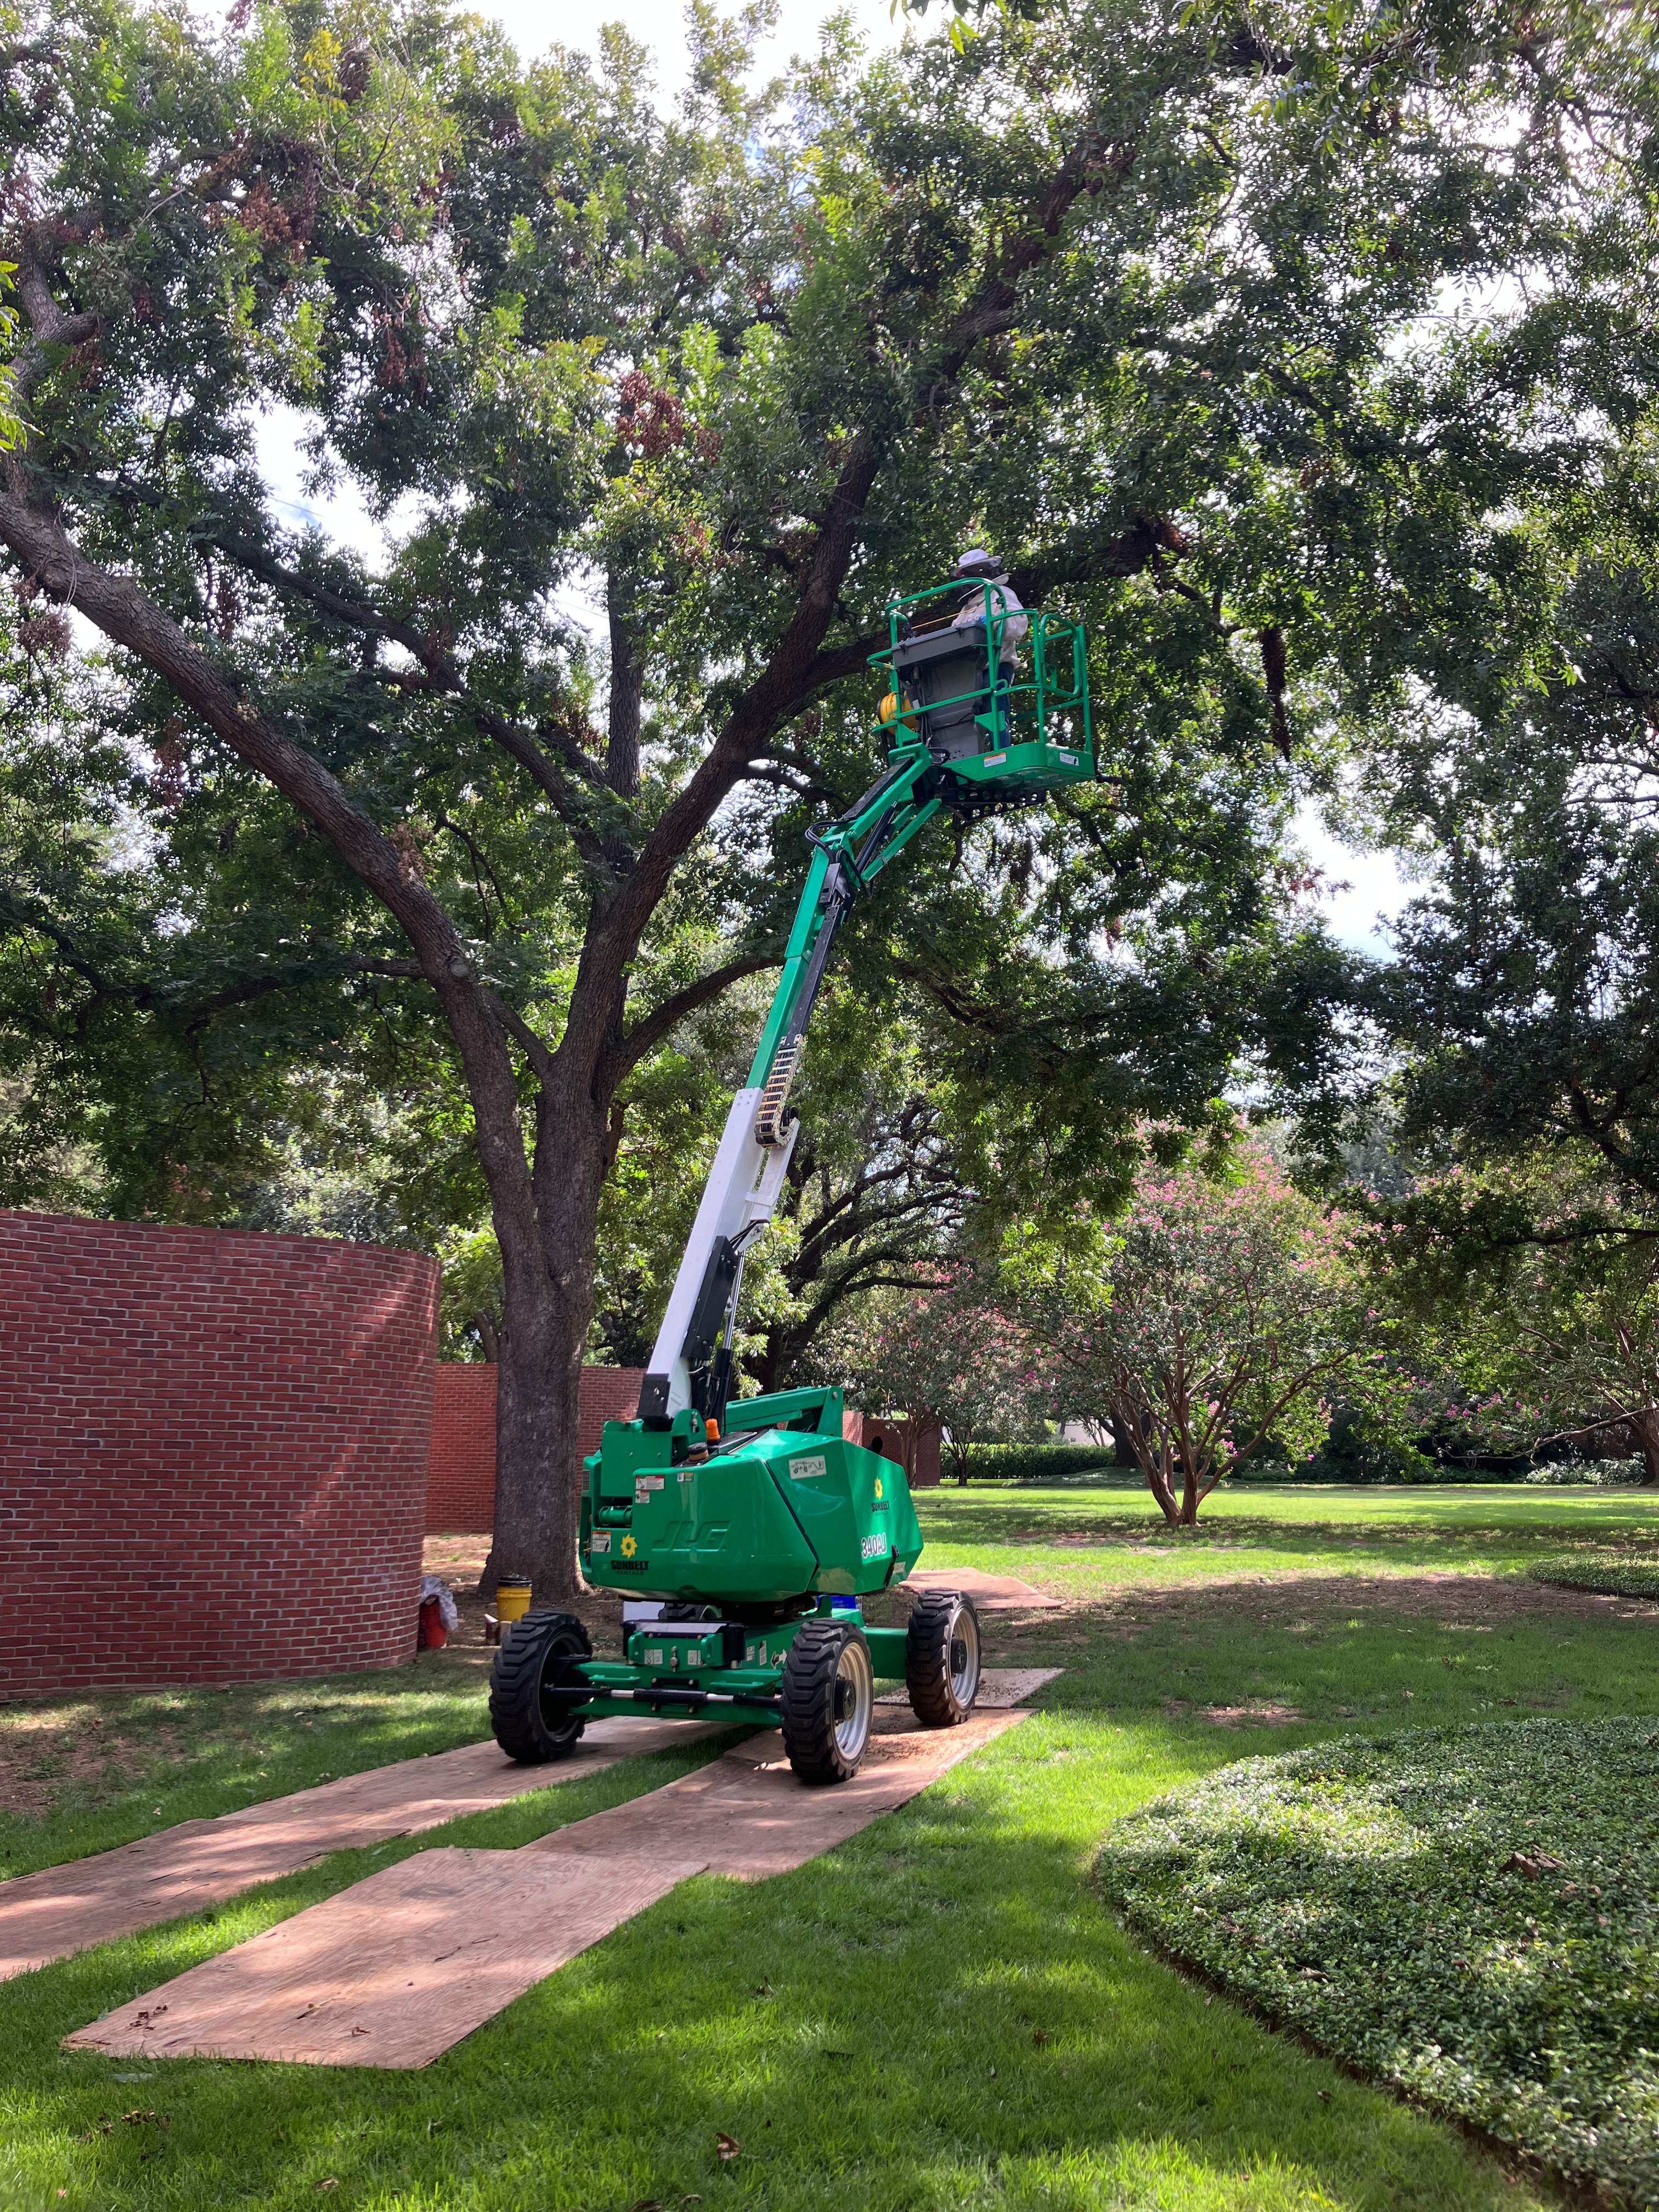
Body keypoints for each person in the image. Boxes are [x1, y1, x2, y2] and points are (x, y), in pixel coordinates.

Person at [949, 548, 1027, 668]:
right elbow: (955, 633)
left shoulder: (1001, 592)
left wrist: (994, 622)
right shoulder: (968, 607)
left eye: (970, 573)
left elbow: (1019, 624)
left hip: (998, 666)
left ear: (983, 571)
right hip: (970, 671)